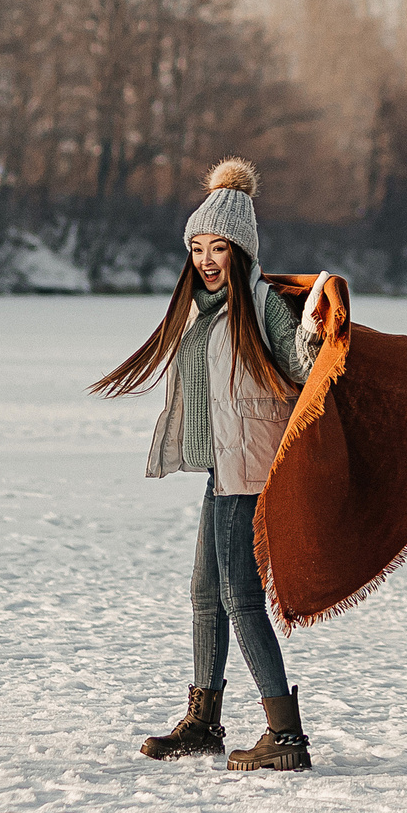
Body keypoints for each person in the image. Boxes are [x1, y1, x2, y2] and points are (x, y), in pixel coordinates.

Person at [92, 159, 328, 772]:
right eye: (196, 247)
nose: (205, 259)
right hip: (222, 467)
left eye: (218, 247)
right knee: (205, 594)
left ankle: (286, 736)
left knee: (238, 597)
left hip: (247, 469)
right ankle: (204, 722)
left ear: (240, 251)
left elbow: (307, 372)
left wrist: (311, 331)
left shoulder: (261, 304)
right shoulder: (203, 306)